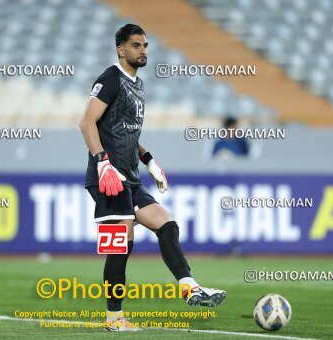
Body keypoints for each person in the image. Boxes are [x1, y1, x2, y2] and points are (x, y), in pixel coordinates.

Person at [78, 24, 226, 332]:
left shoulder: (138, 84)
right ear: (121, 50)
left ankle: (190, 286)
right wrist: (102, 162)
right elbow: (87, 122)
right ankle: (114, 319)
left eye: (145, 45)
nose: (143, 50)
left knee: (167, 224)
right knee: (122, 244)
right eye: (136, 45)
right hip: (108, 177)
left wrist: (149, 160)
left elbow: (126, 132)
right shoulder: (110, 79)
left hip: (130, 178)